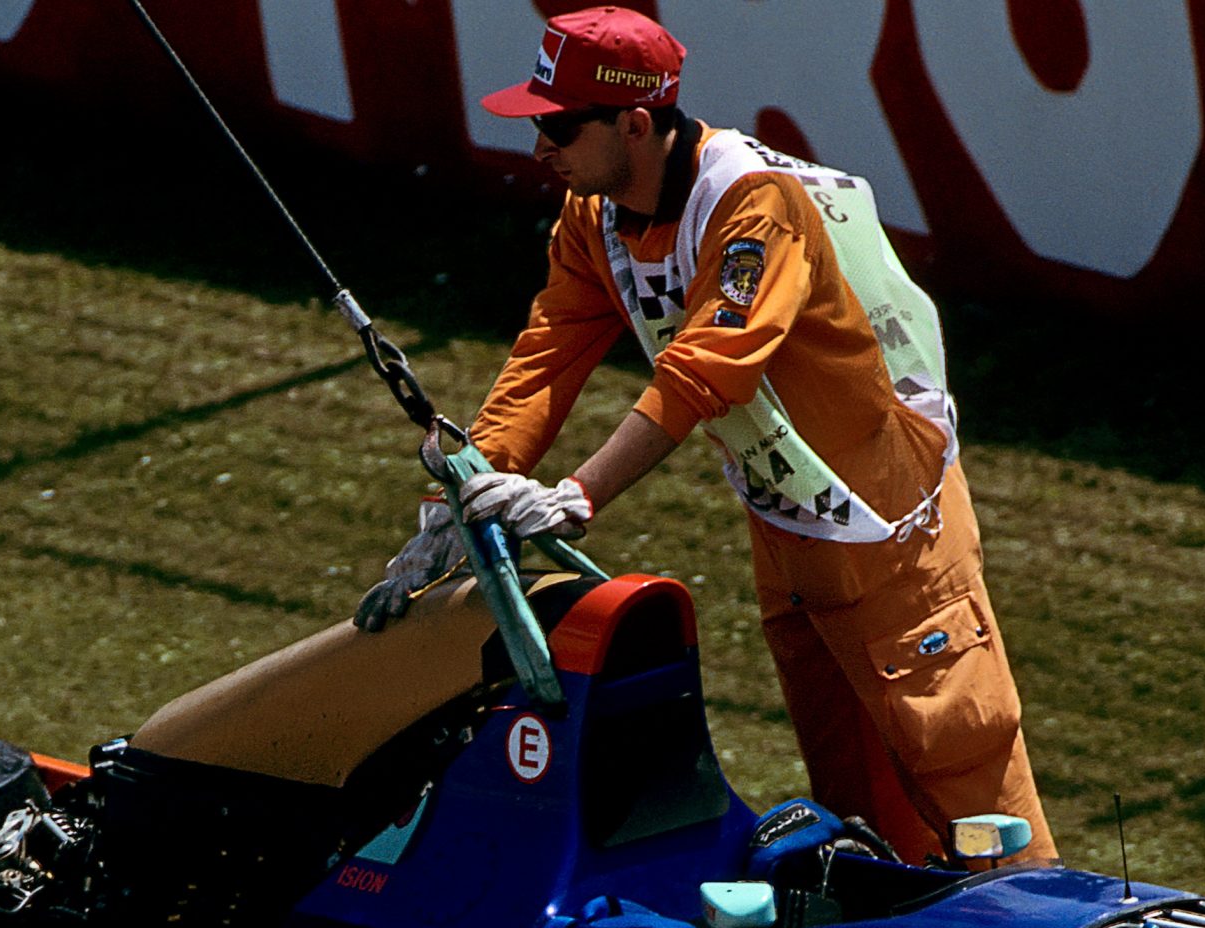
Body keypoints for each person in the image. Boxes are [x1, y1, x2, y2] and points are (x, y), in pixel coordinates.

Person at [361, 7, 1055, 864]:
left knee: (968, 788)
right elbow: (547, 355)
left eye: (558, 125)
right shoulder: (594, 214)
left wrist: (577, 496)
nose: (540, 148)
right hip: (791, 533)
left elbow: (705, 371)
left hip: (890, 540)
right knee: (856, 805)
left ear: (636, 123)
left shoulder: (756, 207)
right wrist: (453, 501)